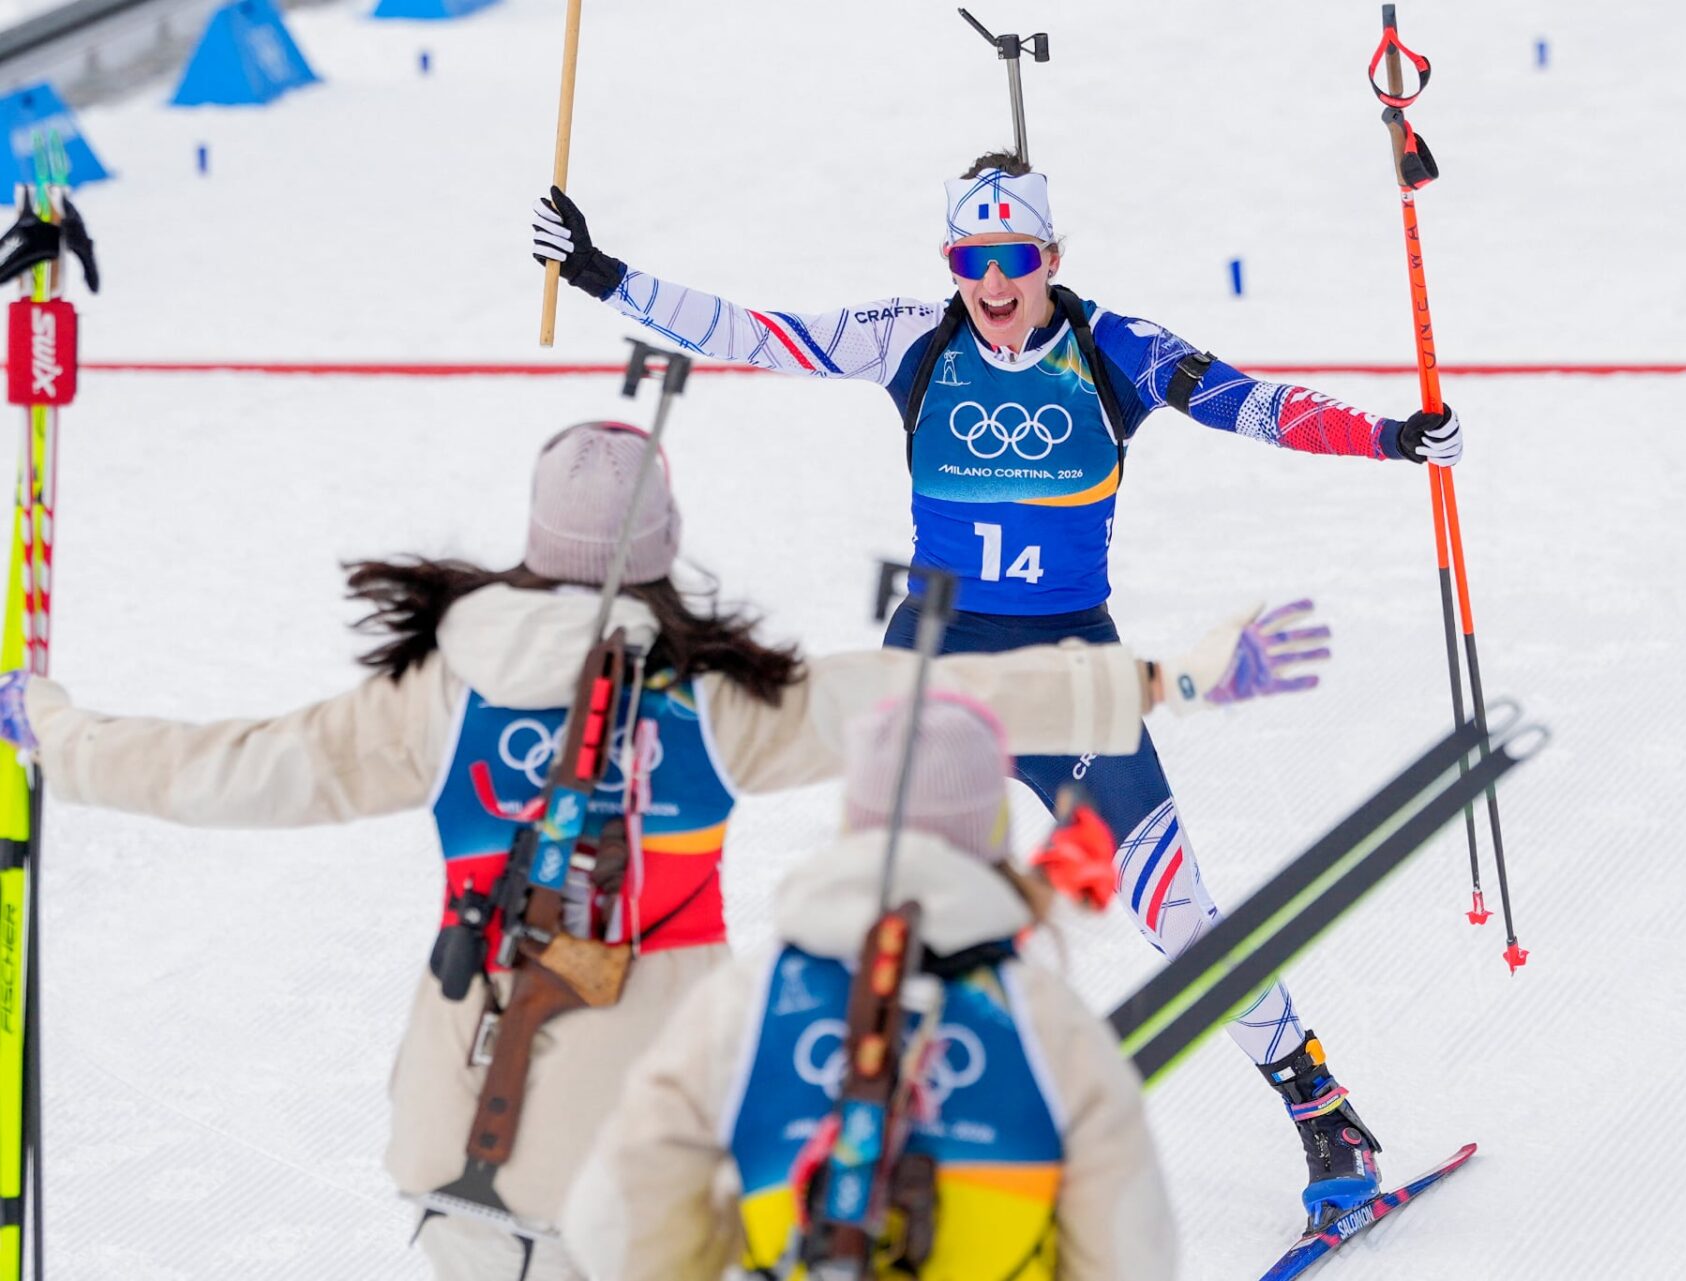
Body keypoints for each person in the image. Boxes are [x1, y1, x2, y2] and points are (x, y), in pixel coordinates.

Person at [0, 421, 1332, 1278]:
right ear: (659, 555)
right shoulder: (717, 703)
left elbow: (230, 770)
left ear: (537, 549)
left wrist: (55, 731)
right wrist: (1167, 678)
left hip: (462, 1133)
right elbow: (935, 692)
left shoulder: (438, 695)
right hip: (646, 1154)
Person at [529, 151, 1445, 1228]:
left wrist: (1389, 439)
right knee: (882, 917)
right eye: (973, 258)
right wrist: (604, 276)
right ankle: (862, 1140)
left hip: (1070, 676)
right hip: (935, 672)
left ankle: (1320, 1106)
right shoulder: (912, 338)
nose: (993, 283)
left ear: (1051, 257)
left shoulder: (1115, 352)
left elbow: (1252, 403)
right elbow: (756, 334)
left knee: (1179, 911)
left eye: (1014, 258)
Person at [560, 695, 1177, 1281]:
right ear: (993, 827)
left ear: (853, 819)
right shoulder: (1050, 1022)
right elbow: (1135, 1258)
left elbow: (608, 1231)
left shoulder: (742, 1004)